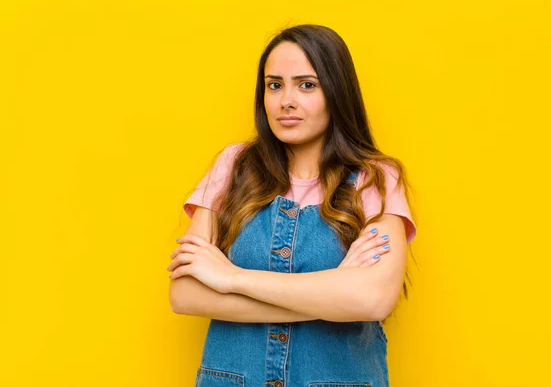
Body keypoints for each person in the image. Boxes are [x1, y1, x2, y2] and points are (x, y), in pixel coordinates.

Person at [167, 24, 417, 387]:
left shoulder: (375, 178)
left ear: (337, 92)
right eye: (274, 85)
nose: (286, 100)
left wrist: (231, 278)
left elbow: (373, 300)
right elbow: (185, 294)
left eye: (307, 85)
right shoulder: (234, 165)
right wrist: (332, 294)